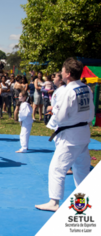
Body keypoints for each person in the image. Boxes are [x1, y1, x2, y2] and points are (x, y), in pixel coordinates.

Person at [35, 58, 94, 212]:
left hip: (69, 137)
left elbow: (60, 118)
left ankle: (54, 202)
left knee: (57, 168)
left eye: (62, 71)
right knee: (81, 169)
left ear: (68, 74)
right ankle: (86, 198)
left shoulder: (67, 91)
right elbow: (91, 113)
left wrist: (53, 109)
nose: (60, 73)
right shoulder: (87, 89)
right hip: (83, 134)